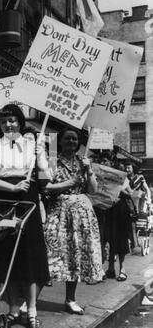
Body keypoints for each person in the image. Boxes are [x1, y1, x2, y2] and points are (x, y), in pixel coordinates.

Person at [0, 104, 49, 328]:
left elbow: (46, 177)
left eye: (12, 120)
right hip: (2, 199)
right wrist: (11, 188)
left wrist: (42, 157)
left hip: (27, 199)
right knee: (6, 256)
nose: (9, 125)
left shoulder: (33, 145)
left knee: (29, 256)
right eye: (4, 121)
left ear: (20, 122)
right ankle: (13, 309)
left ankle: (32, 311)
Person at [44, 126, 104, 315]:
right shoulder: (49, 161)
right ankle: (30, 301)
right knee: (51, 252)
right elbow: (45, 187)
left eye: (75, 139)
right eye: (68, 139)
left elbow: (93, 190)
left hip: (82, 215)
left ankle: (70, 299)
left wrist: (89, 170)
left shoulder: (83, 162)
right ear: (59, 141)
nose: (72, 142)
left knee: (76, 255)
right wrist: (70, 183)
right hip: (59, 213)